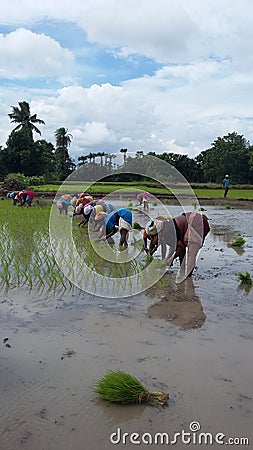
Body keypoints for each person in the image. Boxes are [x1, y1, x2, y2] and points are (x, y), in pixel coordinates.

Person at [144, 212, 210, 279]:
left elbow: (180, 248)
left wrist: (170, 259)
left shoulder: (166, 232)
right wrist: (167, 259)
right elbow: (176, 247)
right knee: (183, 246)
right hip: (192, 221)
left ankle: (188, 277)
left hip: (196, 223)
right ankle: (183, 270)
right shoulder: (165, 228)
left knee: (191, 251)